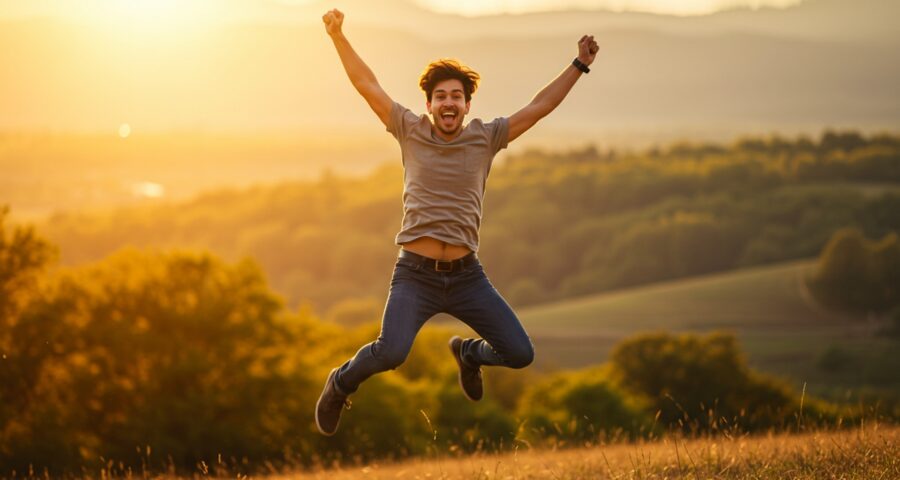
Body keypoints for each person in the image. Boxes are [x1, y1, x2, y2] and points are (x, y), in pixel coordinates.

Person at [315, 8, 598, 436]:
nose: (449, 103)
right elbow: (366, 84)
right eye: (441, 96)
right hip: (414, 275)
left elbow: (540, 107)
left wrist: (579, 65)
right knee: (391, 352)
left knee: (520, 353)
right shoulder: (409, 130)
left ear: (467, 105)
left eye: (456, 97)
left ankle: (469, 354)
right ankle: (340, 383)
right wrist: (338, 36)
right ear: (429, 105)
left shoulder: (486, 137)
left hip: (467, 277)